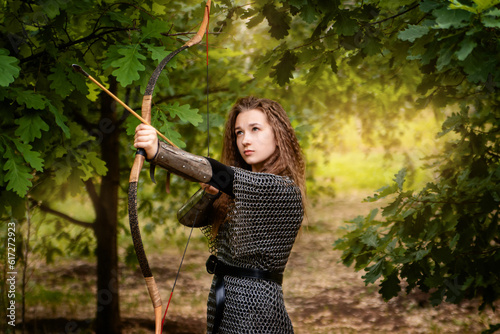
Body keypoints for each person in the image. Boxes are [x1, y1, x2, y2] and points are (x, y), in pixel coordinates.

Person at [134, 96, 306, 333]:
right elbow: (186, 218)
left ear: (278, 134)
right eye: (239, 132)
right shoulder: (236, 190)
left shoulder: (282, 189)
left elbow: (215, 171)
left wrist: (157, 151)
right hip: (224, 304)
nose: (245, 140)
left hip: (258, 314)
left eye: (255, 129)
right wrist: (210, 194)